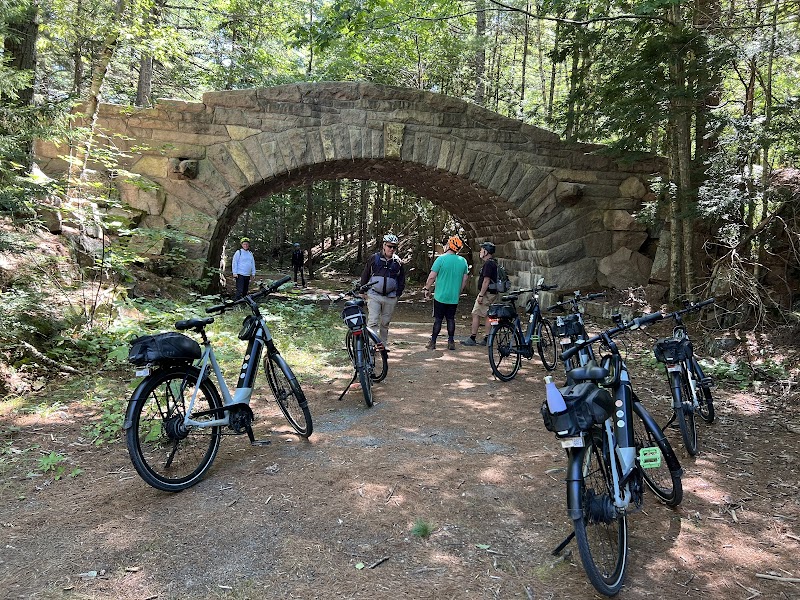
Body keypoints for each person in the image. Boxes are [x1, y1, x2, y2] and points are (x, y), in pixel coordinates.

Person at [423, 235, 469, 351]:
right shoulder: (463, 261)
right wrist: (459, 292)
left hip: (440, 296)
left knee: (438, 319)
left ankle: (433, 342)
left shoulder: (440, 259)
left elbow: (432, 277)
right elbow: (465, 279)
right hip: (454, 297)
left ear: (449, 245)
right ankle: (451, 341)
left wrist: (427, 289)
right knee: (450, 318)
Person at [360, 233, 405, 343]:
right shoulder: (374, 258)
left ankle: (383, 346)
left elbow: (402, 279)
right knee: (373, 321)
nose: (392, 249)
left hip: (390, 297)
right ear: (384, 245)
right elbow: (365, 274)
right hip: (374, 294)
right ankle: (371, 345)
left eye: (394, 247)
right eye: (390, 246)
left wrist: (398, 294)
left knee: (385, 323)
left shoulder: (398, 262)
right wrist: (362, 290)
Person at [461, 241, 499, 346]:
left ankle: (473, 337)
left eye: (482, 250)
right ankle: (487, 338)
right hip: (493, 292)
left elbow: (486, 280)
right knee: (489, 315)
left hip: (486, 293)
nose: (480, 252)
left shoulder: (488, 264)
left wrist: (481, 295)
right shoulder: (494, 262)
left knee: (476, 313)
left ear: (486, 252)